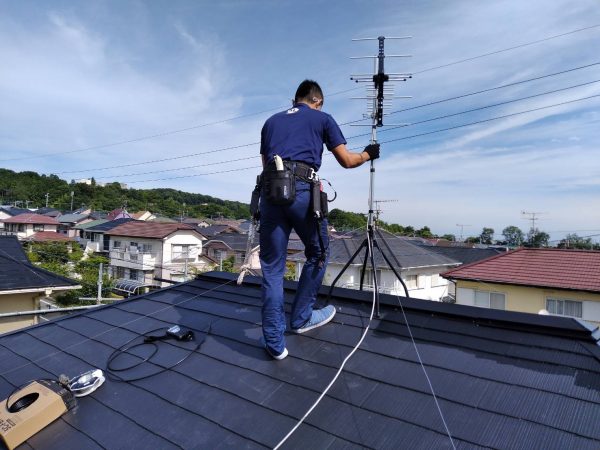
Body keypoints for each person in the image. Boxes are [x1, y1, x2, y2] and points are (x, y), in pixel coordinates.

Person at [259, 79, 380, 360]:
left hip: (271, 191)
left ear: (294, 100)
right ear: (318, 101)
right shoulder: (322, 118)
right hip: (302, 190)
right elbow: (347, 161)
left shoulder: (270, 122)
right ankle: (301, 318)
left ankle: (275, 344)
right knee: (318, 252)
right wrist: (368, 154)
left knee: (273, 268)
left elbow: (266, 165)